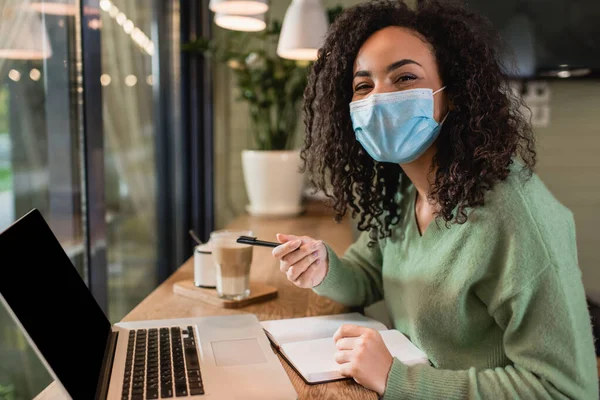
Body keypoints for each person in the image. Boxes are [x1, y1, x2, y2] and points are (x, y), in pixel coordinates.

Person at [271, 0, 598, 399]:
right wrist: (324, 267)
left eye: (404, 78)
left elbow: (565, 390)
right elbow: (371, 275)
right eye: (363, 85)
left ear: (454, 92)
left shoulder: (517, 215)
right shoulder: (404, 189)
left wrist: (398, 379)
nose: (378, 99)